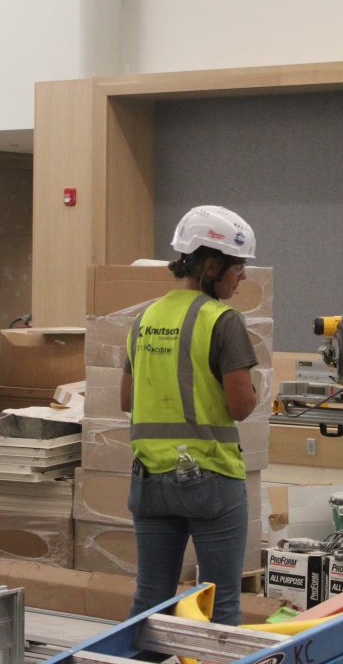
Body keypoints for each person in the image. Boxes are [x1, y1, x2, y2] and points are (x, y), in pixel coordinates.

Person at [120, 205, 259, 625]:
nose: (243, 276)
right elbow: (240, 406)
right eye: (238, 267)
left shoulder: (144, 318)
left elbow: (126, 399)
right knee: (220, 603)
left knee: (150, 603)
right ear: (212, 266)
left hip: (149, 480)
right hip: (211, 478)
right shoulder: (223, 321)